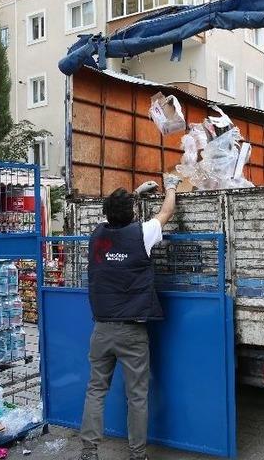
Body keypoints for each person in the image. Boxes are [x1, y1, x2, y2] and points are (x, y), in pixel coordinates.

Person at [79, 173, 181, 460]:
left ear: (106, 214)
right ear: (133, 213)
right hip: (132, 332)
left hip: (101, 329)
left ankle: (89, 451)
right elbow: (166, 211)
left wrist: (133, 195)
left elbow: (117, 216)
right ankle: (137, 454)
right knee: (136, 396)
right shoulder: (143, 234)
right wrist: (171, 187)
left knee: (96, 390)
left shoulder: (97, 237)